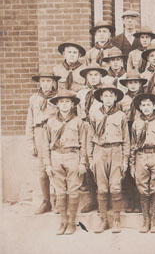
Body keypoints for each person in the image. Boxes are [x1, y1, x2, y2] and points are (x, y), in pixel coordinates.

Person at [42, 90, 86, 235]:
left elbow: (84, 143)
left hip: (73, 156)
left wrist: (82, 162)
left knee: (73, 190)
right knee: (59, 191)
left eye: (68, 101)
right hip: (55, 156)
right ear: (57, 104)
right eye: (61, 102)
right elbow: (45, 143)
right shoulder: (50, 122)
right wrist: (47, 164)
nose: (65, 104)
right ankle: (63, 222)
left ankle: (72, 222)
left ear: (73, 104)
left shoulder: (79, 122)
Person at [87, 84, 130, 233]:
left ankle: (116, 220)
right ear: (100, 98)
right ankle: (103, 220)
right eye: (105, 96)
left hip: (116, 151)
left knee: (115, 186)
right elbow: (90, 138)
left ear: (116, 97)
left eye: (111, 96)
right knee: (102, 188)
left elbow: (126, 139)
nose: (108, 99)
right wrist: (91, 158)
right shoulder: (94, 115)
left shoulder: (121, 115)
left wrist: (125, 159)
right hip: (99, 151)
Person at [130, 93, 155, 233]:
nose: (146, 108)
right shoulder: (136, 122)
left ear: (154, 106)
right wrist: (132, 164)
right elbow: (133, 144)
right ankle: (145, 219)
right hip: (141, 155)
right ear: (139, 107)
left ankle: (154, 219)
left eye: (148, 105)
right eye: (143, 105)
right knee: (142, 187)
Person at [26, 69, 61, 215]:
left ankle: (59, 200)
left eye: (48, 81)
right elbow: (29, 122)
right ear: (39, 83)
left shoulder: (59, 97)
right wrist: (31, 142)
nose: (46, 84)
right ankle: (46, 201)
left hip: (55, 134)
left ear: (53, 82)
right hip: (39, 134)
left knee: (56, 169)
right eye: (43, 81)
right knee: (42, 171)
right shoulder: (34, 99)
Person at [76, 64, 109, 213]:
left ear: (101, 76)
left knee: (102, 165)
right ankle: (92, 200)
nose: (93, 77)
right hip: (86, 129)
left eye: (96, 74)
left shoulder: (106, 93)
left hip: (101, 130)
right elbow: (78, 113)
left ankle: (105, 199)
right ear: (86, 77)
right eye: (90, 75)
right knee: (89, 163)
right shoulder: (82, 94)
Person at [118, 70, 148, 213]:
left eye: (136, 82)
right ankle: (131, 200)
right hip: (127, 130)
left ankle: (140, 200)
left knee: (140, 167)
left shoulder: (145, 99)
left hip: (141, 130)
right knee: (129, 164)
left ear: (141, 84)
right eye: (130, 82)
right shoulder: (121, 100)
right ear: (126, 85)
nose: (133, 85)